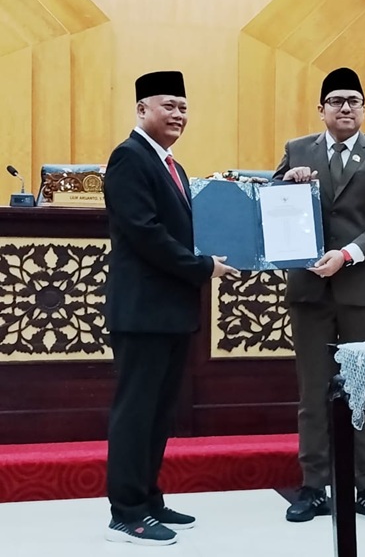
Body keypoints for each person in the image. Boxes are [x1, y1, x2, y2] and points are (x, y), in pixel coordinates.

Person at [103, 71, 239, 545]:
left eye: (183, 107)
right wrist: (203, 266)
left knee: (159, 412)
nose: (178, 115)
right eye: (168, 106)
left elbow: (188, 229)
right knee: (136, 411)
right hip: (141, 312)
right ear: (142, 110)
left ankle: (149, 498)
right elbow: (145, 233)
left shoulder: (173, 167)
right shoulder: (129, 158)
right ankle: (125, 511)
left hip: (171, 311)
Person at [274, 67, 365, 524]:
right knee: (313, 393)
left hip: (362, 291)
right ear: (321, 109)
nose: (345, 107)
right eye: (336, 100)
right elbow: (271, 210)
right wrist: (286, 183)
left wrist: (348, 254)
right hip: (310, 290)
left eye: (353, 100)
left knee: (364, 392)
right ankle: (313, 486)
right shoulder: (297, 150)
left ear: (363, 108)